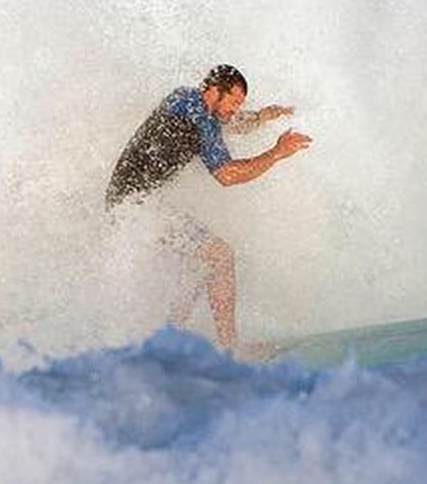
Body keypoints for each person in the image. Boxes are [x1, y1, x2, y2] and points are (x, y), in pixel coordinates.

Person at [106, 64, 311, 353]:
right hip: (138, 207)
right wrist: (277, 152)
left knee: (197, 264)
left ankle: (165, 341)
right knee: (220, 256)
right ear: (214, 91)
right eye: (234, 101)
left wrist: (264, 116)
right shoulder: (200, 118)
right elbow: (228, 175)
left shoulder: (184, 99)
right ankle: (231, 348)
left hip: (126, 202)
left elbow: (230, 122)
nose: (235, 108)